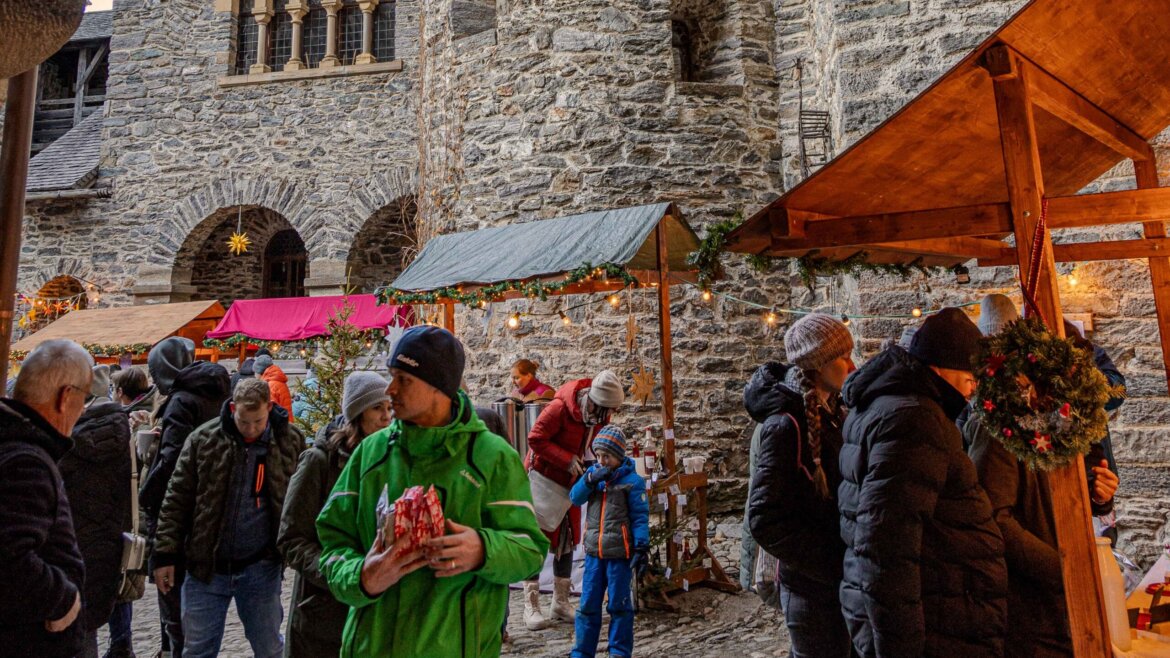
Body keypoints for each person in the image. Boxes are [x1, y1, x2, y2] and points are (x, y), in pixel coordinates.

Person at [316, 326, 549, 657]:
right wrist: (362, 577)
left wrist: (483, 549)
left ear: (440, 388)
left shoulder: (492, 457)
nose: (389, 389)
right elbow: (332, 545)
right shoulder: (370, 454)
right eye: (391, 375)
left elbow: (530, 552)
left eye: (404, 379)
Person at [838, 307, 1007, 658]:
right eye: (969, 378)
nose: (973, 389)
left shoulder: (895, 405)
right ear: (942, 368)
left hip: (936, 608)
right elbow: (887, 546)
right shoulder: (915, 418)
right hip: (933, 621)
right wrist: (900, 647)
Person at [965, 296, 1120, 658]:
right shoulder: (1000, 427)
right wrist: (1063, 568)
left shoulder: (1066, 423)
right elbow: (996, 519)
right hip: (1028, 602)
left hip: (1065, 590)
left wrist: (1100, 495)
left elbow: (1077, 491)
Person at [153, 378, 303, 658]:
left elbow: (300, 498)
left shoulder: (289, 441)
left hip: (261, 566)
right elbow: (177, 498)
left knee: (270, 648)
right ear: (233, 407)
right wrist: (164, 554)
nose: (251, 429)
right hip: (206, 568)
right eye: (244, 421)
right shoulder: (203, 439)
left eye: (258, 421)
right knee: (197, 650)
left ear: (269, 408)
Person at [747, 313, 855, 658]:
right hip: (811, 589)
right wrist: (828, 560)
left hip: (835, 583)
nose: (851, 365)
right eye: (843, 357)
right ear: (818, 365)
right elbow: (764, 519)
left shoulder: (833, 411)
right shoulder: (785, 426)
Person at [278, 371, 392, 657]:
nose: (386, 417)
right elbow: (291, 538)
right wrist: (338, 573)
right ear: (357, 414)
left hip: (375, 604)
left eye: (389, 408)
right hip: (323, 608)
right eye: (377, 408)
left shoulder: (389, 458)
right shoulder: (319, 461)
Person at [140, 337, 231, 658]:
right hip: (213, 507)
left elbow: (172, 460)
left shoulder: (182, 400)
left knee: (173, 600)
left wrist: (146, 494)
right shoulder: (219, 392)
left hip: (179, 513)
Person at [0, 339, 93, 656]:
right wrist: (63, 598)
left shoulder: (20, 445)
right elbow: (9, 557)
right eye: (84, 398)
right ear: (66, 397)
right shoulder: (26, 461)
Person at [523, 370, 626, 630]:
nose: (606, 417)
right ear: (594, 401)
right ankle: (530, 605)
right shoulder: (559, 408)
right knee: (536, 539)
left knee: (567, 540)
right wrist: (566, 459)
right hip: (543, 480)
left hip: (569, 484)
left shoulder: (599, 415)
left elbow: (595, 443)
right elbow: (535, 438)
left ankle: (560, 602)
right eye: (605, 410)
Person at [61, 364, 134, 658]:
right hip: (108, 539)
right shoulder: (121, 431)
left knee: (75, 627)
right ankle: (122, 642)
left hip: (71, 540)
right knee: (89, 620)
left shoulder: (68, 438)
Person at [568, 426, 649, 658]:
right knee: (587, 606)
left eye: (607, 456)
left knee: (619, 606)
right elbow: (575, 498)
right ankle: (582, 652)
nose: (602, 460)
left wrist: (641, 545)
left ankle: (619, 652)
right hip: (595, 553)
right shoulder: (594, 478)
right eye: (599, 455)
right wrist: (589, 480)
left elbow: (640, 517)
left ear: (619, 456)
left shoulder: (632, 482)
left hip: (619, 555)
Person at [106, 367, 155, 658]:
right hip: (140, 509)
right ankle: (121, 642)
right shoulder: (155, 410)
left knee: (121, 575)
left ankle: (121, 642)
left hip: (132, 508)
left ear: (121, 392)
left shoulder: (132, 420)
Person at [255, 354, 294, 420]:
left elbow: (271, 412)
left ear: (259, 372)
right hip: (286, 421)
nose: (254, 375)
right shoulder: (277, 381)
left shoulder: (269, 386)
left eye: (255, 372)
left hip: (280, 425)